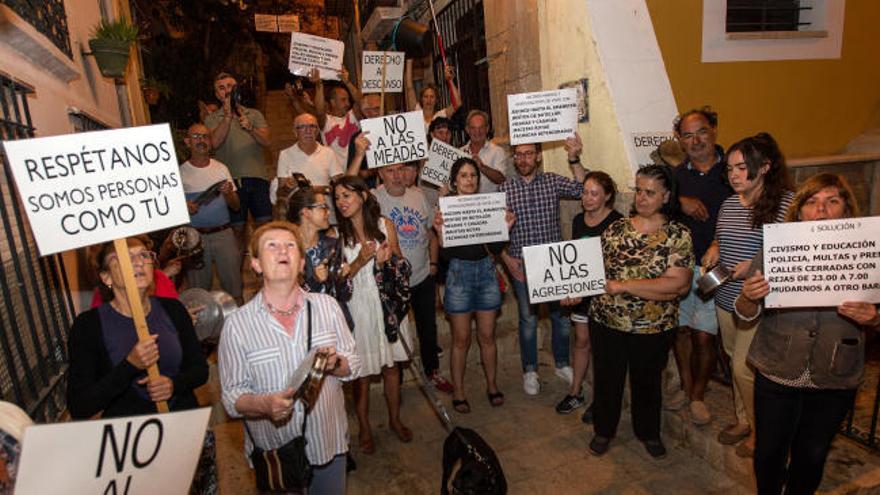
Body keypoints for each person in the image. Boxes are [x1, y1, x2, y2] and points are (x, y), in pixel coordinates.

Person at [736, 173, 880, 494]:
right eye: (812, 202)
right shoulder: (776, 247)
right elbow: (745, 314)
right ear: (799, 210)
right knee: (768, 454)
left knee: (812, 456)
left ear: (846, 209)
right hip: (777, 369)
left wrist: (875, 318)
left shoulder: (869, 251)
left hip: (835, 373)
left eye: (832, 201)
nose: (822, 210)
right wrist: (748, 296)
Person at [219, 222, 359, 494]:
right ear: (256, 264)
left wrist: (335, 364)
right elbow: (232, 397)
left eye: (290, 245)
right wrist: (264, 405)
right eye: (272, 245)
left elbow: (353, 364)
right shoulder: (237, 325)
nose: (282, 250)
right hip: (276, 453)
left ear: (301, 262)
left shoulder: (327, 307)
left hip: (327, 445)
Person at [587, 165, 693, 459]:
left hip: (653, 325)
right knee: (607, 379)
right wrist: (573, 290)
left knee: (647, 381)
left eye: (650, 192)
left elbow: (678, 285)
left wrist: (624, 286)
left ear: (666, 195)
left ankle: (648, 431)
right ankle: (603, 429)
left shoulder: (678, 235)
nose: (642, 198)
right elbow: (595, 273)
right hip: (607, 320)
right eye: (638, 190)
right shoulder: (616, 229)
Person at [703, 132, 793, 457]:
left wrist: (754, 265)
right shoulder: (728, 203)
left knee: (744, 367)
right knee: (731, 358)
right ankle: (743, 420)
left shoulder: (786, 205)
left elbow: (791, 256)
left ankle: (761, 431)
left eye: (742, 168)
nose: (734, 175)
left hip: (758, 304)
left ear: (766, 167)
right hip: (724, 298)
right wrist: (713, 250)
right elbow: (719, 238)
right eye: (729, 169)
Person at [67, 236, 208, 418]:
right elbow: (80, 405)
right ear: (106, 277)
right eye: (125, 257)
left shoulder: (173, 309)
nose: (139, 263)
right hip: (131, 435)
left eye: (144, 255)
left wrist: (174, 384)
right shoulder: (88, 327)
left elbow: (199, 370)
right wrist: (129, 365)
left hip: (183, 426)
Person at [333, 176, 416, 454]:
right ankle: (365, 428)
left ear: (363, 196)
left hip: (386, 305)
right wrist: (360, 261)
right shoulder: (337, 236)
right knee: (362, 375)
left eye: (347, 195)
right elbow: (337, 282)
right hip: (359, 306)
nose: (341, 202)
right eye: (337, 197)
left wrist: (389, 260)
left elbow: (403, 266)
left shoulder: (385, 225)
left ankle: (395, 419)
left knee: (392, 367)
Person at [500, 136, 587, 395]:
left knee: (561, 318)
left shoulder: (551, 180)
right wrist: (506, 258)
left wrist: (574, 158)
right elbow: (493, 231)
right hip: (521, 263)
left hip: (553, 262)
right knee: (528, 319)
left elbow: (582, 189)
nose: (523, 159)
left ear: (538, 156)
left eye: (528, 154)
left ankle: (561, 363)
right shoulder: (503, 189)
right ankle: (530, 370)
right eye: (518, 154)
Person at [433, 158, 515, 413]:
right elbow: (445, 254)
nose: (469, 180)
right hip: (459, 276)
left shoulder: (488, 206)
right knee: (460, 339)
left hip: (487, 273)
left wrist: (505, 229)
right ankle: (459, 391)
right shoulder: (446, 210)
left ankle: (492, 385)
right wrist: (440, 232)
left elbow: (495, 249)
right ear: (455, 181)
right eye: (464, 176)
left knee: (487, 337)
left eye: (473, 176)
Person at [669, 107, 733, 424]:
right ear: (680, 140)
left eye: (702, 132)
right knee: (680, 330)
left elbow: (749, 211)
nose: (696, 141)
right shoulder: (677, 177)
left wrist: (720, 241)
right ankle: (684, 385)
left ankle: (698, 396)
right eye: (688, 135)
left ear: (714, 131)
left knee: (705, 336)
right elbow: (661, 203)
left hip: (715, 270)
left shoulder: (733, 172)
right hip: (680, 267)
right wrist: (681, 201)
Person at [371, 163, 453, 393]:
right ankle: (393, 382)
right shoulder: (372, 198)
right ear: (379, 173)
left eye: (401, 169)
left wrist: (434, 265)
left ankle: (432, 371)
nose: (398, 176)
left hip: (422, 274)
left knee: (428, 328)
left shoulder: (418, 196)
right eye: (390, 171)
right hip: (392, 282)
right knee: (393, 331)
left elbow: (431, 233)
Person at [556, 171, 623, 418]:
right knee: (582, 342)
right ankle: (575, 392)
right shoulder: (577, 220)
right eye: (585, 192)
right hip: (582, 297)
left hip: (606, 296)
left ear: (607, 196)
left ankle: (601, 400)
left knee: (602, 350)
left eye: (594, 193)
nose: (587, 198)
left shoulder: (618, 223)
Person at [205, 72, 273, 245]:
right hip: (231, 183)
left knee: (264, 229)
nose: (227, 91)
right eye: (222, 88)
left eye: (230, 86)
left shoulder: (254, 114)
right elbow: (213, 143)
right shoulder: (212, 119)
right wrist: (228, 116)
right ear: (217, 95)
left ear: (237, 90)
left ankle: (265, 269)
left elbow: (267, 141)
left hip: (258, 178)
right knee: (237, 230)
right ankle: (237, 271)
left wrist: (250, 128)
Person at [180, 122, 243, 304]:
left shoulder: (221, 168)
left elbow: (236, 206)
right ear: (187, 142)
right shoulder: (179, 173)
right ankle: (204, 332)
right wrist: (184, 207)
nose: (201, 140)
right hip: (194, 237)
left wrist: (229, 194)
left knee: (235, 287)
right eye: (196, 137)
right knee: (198, 293)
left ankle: (242, 327)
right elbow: (172, 211)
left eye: (205, 136)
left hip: (224, 234)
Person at [286, 186, 353, 329]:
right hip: (305, 330)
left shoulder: (333, 245)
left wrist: (342, 279)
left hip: (336, 327)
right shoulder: (288, 253)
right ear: (306, 212)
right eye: (323, 207)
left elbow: (346, 295)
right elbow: (288, 302)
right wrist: (315, 281)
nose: (328, 212)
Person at [272, 112, 344, 221]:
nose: (308, 130)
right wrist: (288, 186)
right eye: (302, 127)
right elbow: (280, 194)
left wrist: (313, 189)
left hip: (325, 215)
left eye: (312, 126)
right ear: (295, 132)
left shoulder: (328, 153)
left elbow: (340, 186)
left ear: (317, 131)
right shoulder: (285, 154)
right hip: (298, 215)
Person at [311, 68, 363, 167]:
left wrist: (347, 82)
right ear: (333, 102)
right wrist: (319, 85)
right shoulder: (326, 121)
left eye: (348, 100)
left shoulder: (353, 116)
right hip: (335, 176)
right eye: (343, 100)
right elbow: (319, 110)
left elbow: (361, 102)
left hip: (356, 174)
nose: (347, 104)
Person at [405, 61, 462, 131]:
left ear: (436, 100)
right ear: (421, 99)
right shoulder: (416, 110)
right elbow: (409, 87)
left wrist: (450, 80)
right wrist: (409, 61)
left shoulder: (441, 115)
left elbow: (458, 103)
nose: (429, 100)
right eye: (426, 96)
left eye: (432, 97)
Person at [461, 111, 508, 193]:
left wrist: (482, 167)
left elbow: (501, 180)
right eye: (473, 128)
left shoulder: (497, 151)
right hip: (466, 203)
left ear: (487, 128)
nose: (477, 132)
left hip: (491, 203)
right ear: (467, 130)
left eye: (481, 128)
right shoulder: (460, 152)